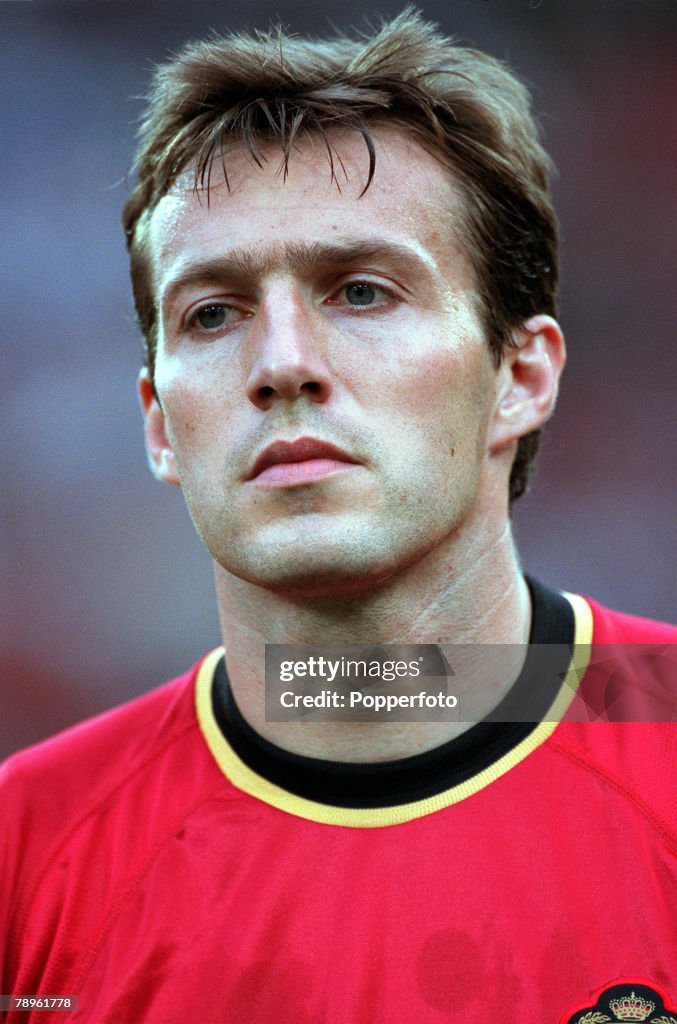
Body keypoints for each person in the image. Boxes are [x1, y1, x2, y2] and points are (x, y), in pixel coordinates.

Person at [1, 11, 675, 1023]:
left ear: (519, 377)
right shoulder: (25, 847)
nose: (280, 365)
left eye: (360, 291)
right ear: (156, 424)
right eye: (213, 313)